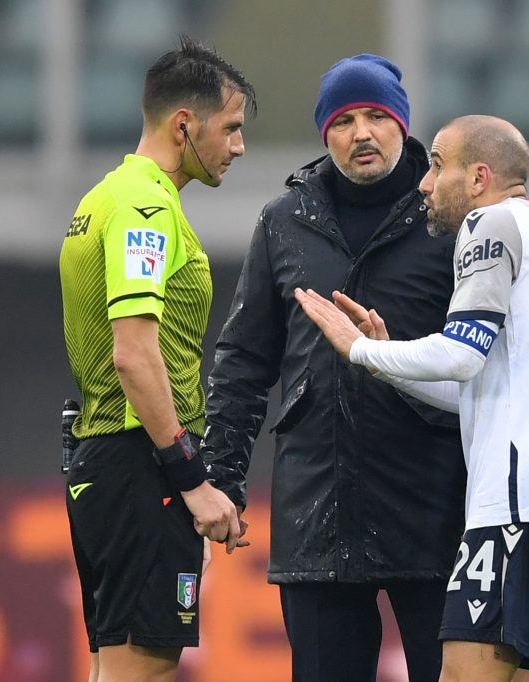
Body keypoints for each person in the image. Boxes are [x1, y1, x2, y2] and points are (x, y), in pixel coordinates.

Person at [295, 115, 529, 682]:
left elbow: (460, 354)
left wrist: (359, 352)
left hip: (516, 510)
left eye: (438, 165)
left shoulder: (489, 226)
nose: (424, 183)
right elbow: (479, 385)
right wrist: (391, 359)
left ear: (479, 177)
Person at [201, 54, 467, 682]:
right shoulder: (284, 221)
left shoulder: (454, 218)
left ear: (403, 124)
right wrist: (223, 479)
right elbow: (243, 362)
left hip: (435, 504)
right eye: (344, 120)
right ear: (326, 133)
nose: (362, 133)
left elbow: (492, 359)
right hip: (318, 510)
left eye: (377, 115)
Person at [58, 36, 255, 682]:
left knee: (112, 668)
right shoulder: (145, 207)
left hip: (107, 462)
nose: (238, 147)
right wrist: (191, 480)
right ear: (183, 125)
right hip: (139, 469)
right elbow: (134, 355)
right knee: (140, 670)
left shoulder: (103, 199)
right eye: (229, 129)